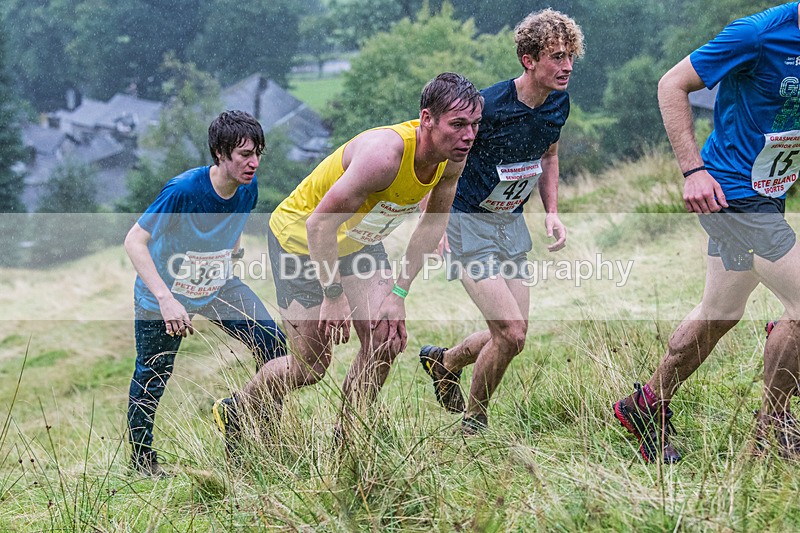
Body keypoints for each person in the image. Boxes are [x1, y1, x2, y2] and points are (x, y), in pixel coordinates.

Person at [212, 73, 483, 444]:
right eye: (458, 125)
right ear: (427, 119)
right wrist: (333, 293)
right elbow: (319, 226)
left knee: (386, 339)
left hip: (358, 242)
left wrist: (399, 294)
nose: (469, 136)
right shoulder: (384, 156)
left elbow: (431, 225)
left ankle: (349, 437)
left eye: (474, 124)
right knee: (308, 367)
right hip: (302, 241)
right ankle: (239, 409)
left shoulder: (452, 157)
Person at [613, 3, 800, 464]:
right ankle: (770, 435)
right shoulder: (758, 34)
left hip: (768, 193)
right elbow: (671, 84)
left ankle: (644, 405)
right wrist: (692, 170)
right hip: (730, 194)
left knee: (719, 312)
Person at [417, 9, 584, 434]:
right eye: (557, 57)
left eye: (571, 57)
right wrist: (432, 226)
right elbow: (436, 156)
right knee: (508, 332)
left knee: (515, 336)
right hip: (466, 222)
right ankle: (474, 422)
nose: (566, 67)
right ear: (528, 59)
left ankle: (446, 361)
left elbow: (548, 155)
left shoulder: (559, 104)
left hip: (511, 225)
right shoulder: (488, 106)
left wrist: (551, 211)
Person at [124, 110, 286, 476]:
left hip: (216, 284)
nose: (254, 162)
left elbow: (235, 225)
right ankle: (141, 462)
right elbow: (135, 241)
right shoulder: (183, 190)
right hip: (164, 295)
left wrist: (233, 257)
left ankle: (259, 430)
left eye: (258, 152)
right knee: (153, 374)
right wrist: (166, 300)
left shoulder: (250, 186)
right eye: (244, 154)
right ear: (220, 154)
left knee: (274, 345)